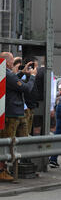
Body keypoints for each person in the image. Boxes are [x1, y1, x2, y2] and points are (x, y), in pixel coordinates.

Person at [0, 52, 37, 181]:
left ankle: (6, 169)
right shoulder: (7, 74)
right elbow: (25, 88)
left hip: (11, 111)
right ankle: (2, 170)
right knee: (8, 143)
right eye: (11, 61)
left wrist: (22, 73)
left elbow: (14, 81)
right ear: (8, 62)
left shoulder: (5, 72)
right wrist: (31, 77)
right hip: (12, 113)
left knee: (10, 142)